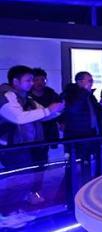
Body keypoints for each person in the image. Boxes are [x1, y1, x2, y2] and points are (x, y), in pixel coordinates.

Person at [0, 65, 64, 204]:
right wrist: (49, 110)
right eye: (28, 80)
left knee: (24, 177)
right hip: (11, 146)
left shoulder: (26, 97)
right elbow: (18, 117)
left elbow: (42, 115)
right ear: (15, 81)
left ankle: (17, 205)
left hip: (25, 144)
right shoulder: (6, 95)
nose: (32, 83)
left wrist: (57, 110)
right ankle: (9, 211)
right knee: (18, 179)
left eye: (32, 80)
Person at [62, 72, 102, 182]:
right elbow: (73, 109)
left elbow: (97, 114)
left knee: (88, 162)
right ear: (79, 82)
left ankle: (90, 183)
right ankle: (75, 186)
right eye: (89, 80)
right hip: (77, 136)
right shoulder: (70, 94)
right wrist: (84, 92)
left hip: (92, 134)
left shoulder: (89, 96)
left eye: (92, 80)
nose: (91, 82)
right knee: (75, 164)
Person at [29, 68, 61, 145]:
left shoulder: (51, 93)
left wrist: (62, 122)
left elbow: (60, 108)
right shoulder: (26, 95)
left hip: (51, 129)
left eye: (43, 80)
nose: (40, 83)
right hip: (34, 131)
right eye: (36, 80)